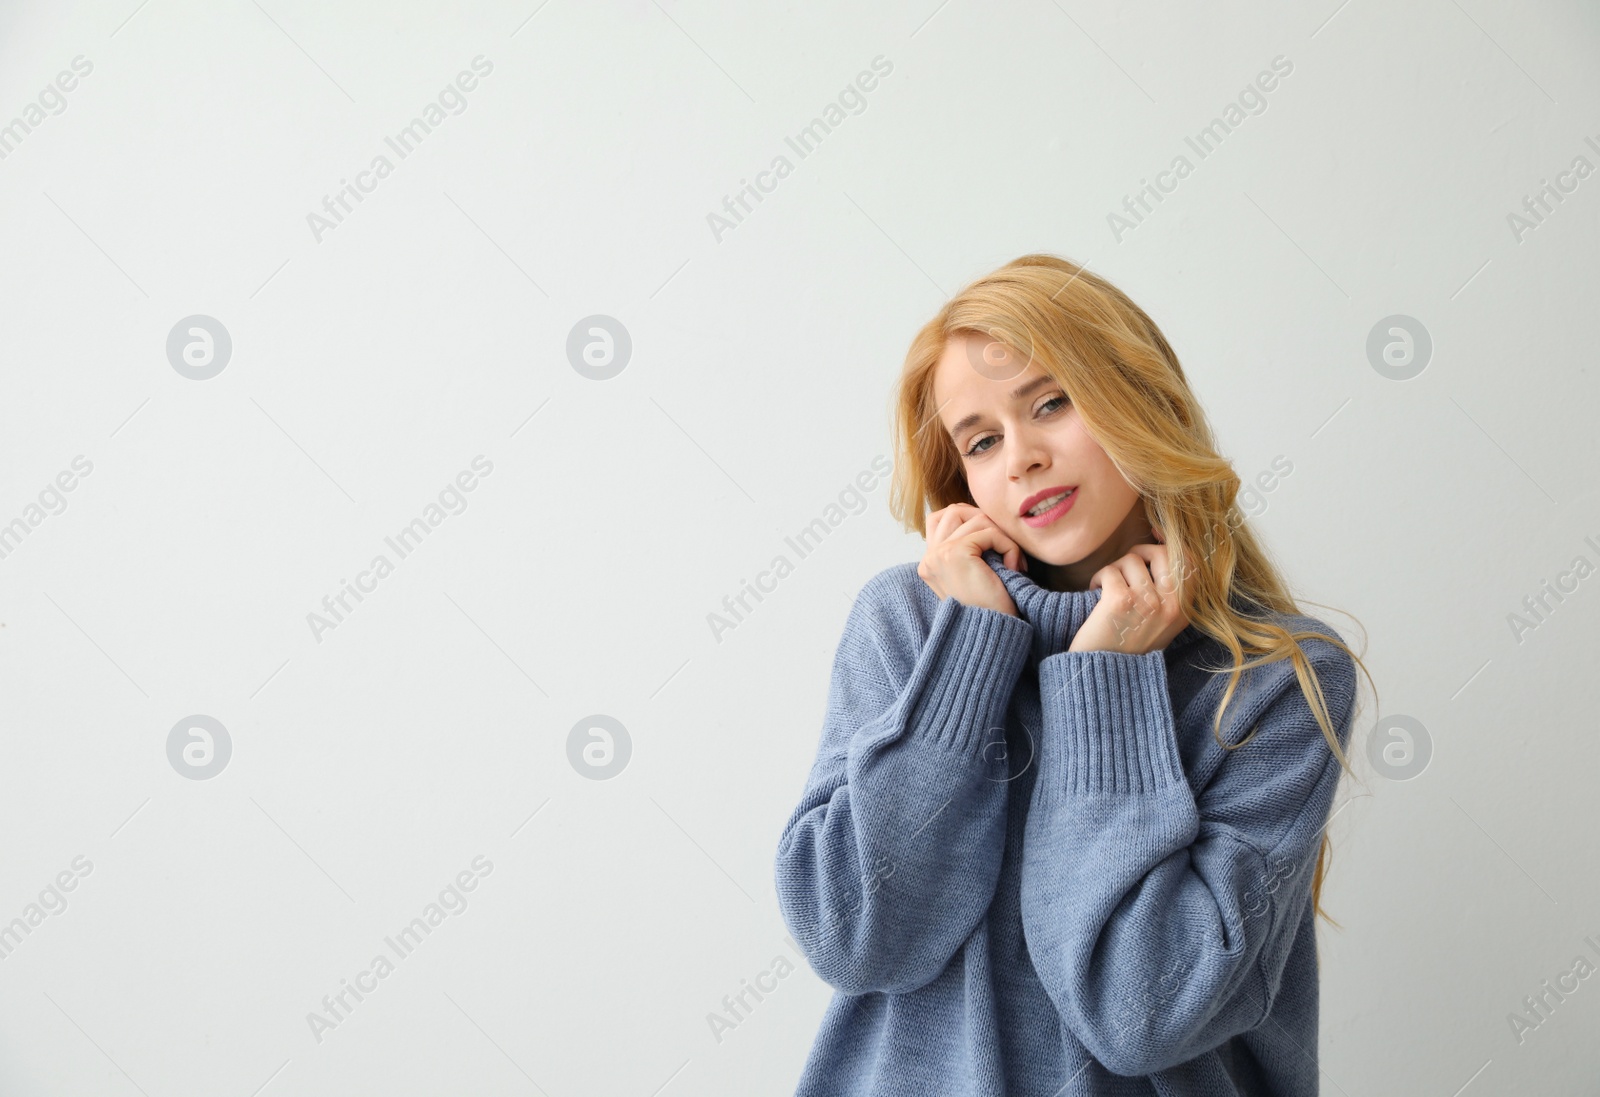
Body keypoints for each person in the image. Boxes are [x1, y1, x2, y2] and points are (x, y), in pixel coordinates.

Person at [773, 254, 1377, 1095]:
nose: (1019, 457)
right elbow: (856, 936)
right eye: (981, 440)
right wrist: (972, 651)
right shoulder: (908, 626)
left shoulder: (1276, 677)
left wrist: (1105, 681)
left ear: (1138, 399)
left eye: (1051, 403)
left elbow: (1142, 1015)